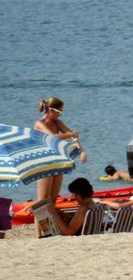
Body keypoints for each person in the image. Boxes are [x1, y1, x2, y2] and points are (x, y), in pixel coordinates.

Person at [33, 97, 85, 236]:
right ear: (50, 111)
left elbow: (73, 136)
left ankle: (49, 231)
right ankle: (39, 234)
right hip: (43, 164)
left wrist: (81, 151)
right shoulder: (40, 124)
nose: (60, 115)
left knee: (53, 200)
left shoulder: (57, 122)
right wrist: (70, 134)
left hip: (57, 163)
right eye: (59, 112)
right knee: (42, 201)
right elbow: (52, 137)